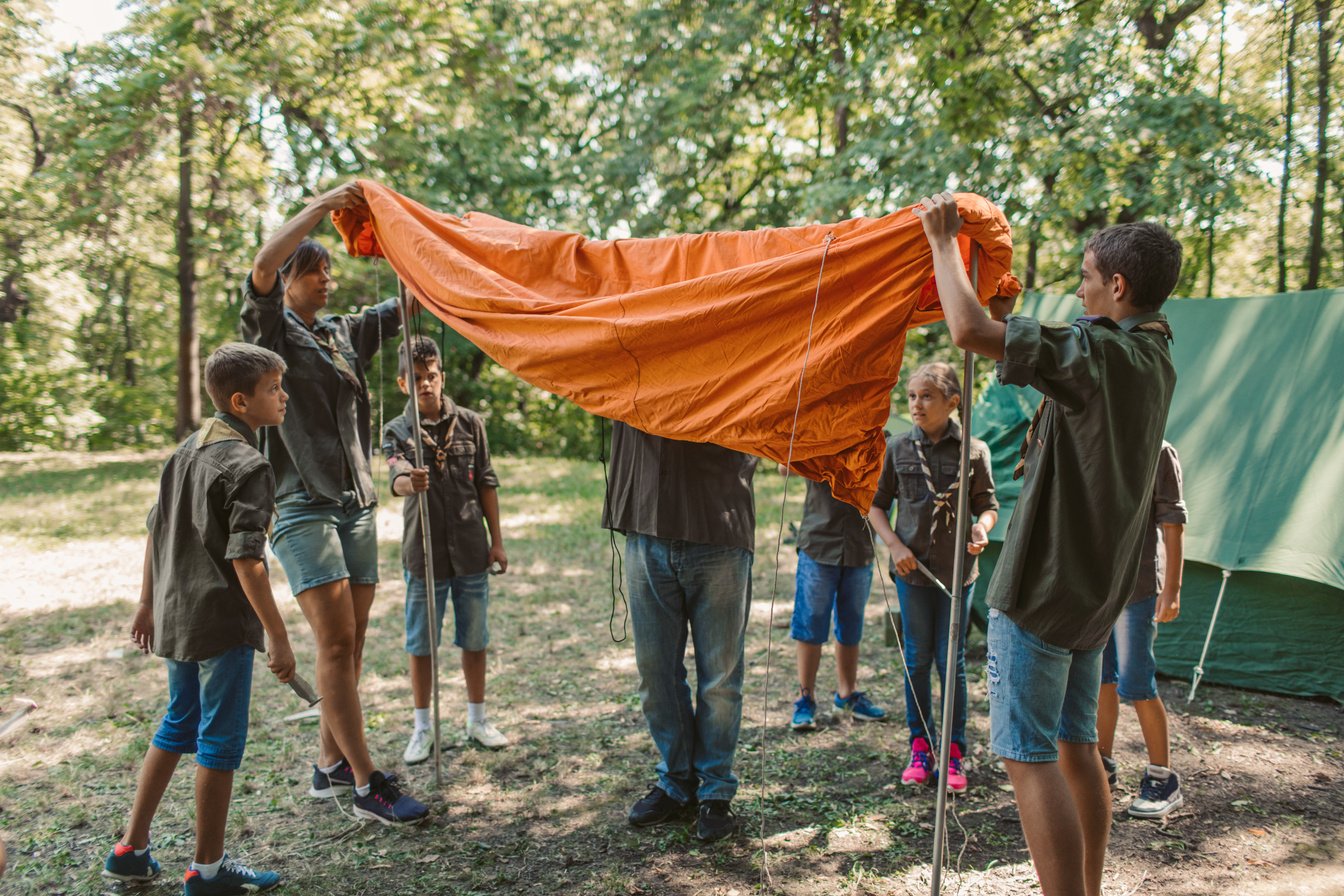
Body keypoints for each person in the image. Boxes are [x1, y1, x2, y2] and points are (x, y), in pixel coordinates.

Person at [915, 193, 1181, 896]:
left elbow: (966, 331)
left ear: (1117, 288)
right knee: (1076, 746)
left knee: (1028, 756)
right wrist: (1013, 323)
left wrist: (944, 243)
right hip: (1095, 594)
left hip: (1043, 588)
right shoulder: (1151, 356)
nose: (1082, 285)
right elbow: (1071, 407)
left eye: (1088, 276)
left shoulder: (1100, 349)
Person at [242, 181, 428, 825]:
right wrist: (323, 207)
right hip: (302, 505)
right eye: (314, 273)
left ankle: (328, 769)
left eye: (327, 272)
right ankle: (365, 779)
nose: (326, 282)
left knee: (348, 648)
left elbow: (407, 299)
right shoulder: (274, 332)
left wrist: (402, 230)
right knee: (334, 643)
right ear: (291, 282)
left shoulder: (343, 335)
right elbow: (262, 265)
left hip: (357, 502)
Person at [100, 343, 293, 895]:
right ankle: (207, 871)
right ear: (241, 400)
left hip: (176, 615)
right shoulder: (250, 465)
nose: (283, 396)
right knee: (219, 741)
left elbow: (155, 531)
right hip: (220, 623)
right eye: (274, 389)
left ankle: (130, 850)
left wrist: (145, 602)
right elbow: (246, 559)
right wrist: (277, 638)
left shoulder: (185, 450)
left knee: (178, 723)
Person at [602, 422, 756, 843]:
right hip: (647, 525)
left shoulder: (732, 355)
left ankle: (715, 790)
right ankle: (677, 780)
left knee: (721, 677)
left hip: (721, 523)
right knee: (655, 673)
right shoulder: (627, 356)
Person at [868, 361, 998, 793]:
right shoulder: (899, 448)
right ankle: (920, 746)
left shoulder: (974, 451)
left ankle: (954, 750)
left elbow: (988, 505)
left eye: (926, 396)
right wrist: (895, 544)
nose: (916, 404)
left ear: (952, 402)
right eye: (911, 396)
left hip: (958, 575)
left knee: (952, 663)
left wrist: (983, 528)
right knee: (917, 660)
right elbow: (875, 507)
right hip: (912, 572)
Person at [383, 335, 510, 761]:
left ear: (442, 376)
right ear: (403, 383)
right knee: (421, 644)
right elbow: (394, 474)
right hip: (424, 556)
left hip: (472, 550)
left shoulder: (472, 422)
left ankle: (477, 719)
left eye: (431, 376)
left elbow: (487, 481)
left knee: (475, 638)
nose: (425, 385)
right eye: (416, 378)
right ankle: (422, 727)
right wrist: (407, 481)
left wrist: (498, 542)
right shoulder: (397, 430)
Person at [1098, 440, 1187, 818]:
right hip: (1097, 589)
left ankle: (1162, 778)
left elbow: (1173, 522)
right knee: (1101, 680)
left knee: (1136, 684)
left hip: (1138, 588)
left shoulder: (1158, 450)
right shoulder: (1098, 441)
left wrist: (1172, 589)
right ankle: (1101, 764)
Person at [786, 470, 886, 731]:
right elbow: (783, 467)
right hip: (818, 543)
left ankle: (847, 694)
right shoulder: (819, 432)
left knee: (851, 624)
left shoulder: (878, 438)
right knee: (811, 624)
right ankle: (805, 698)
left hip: (860, 545)